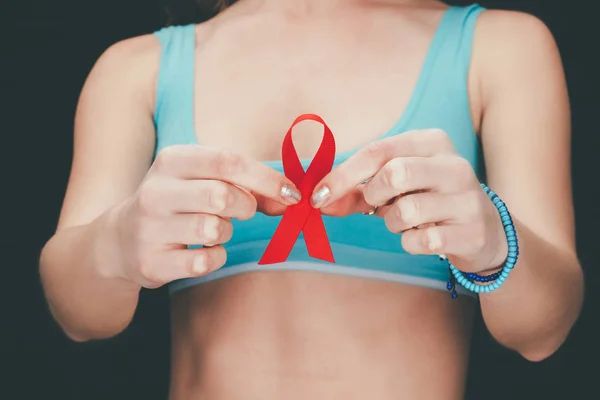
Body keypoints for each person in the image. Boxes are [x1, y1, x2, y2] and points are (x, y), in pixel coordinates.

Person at [39, 0, 584, 398]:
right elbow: (78, 318)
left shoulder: (503, 47)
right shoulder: (134, 68)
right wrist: (116, 243)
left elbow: (545, 332)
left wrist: (492, 242)